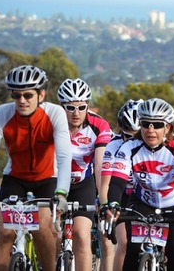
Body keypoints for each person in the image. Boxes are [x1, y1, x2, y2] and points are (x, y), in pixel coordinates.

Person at [0, 65, 71, 271]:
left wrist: (62, 193)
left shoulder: (55, 113)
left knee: (41, 226)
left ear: (41, 95)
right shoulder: (3, 113)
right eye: (16, 95)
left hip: (47, 178)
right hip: (15, 177)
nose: (22, 101)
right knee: (6, 231)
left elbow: (63, 157)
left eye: (28, 95)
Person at [106, 97, 174, 271]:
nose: (150, 130)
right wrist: (113, 204)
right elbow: (117, 182)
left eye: (157, 125)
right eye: (146, 124)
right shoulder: (129, 147)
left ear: (168, 127)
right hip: (143, 203)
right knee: (132, 251)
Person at [57, 78, 112, 271]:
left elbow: (100, 166)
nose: (76, 113)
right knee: (51, 233)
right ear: (61, 106)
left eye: (81, 107)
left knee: (81, 234)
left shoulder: (99, 126)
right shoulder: (51, 122)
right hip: (54, 182)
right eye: (70, 107)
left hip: (83, 183)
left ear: (88, 105)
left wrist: (104, 201)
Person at [99, 98, 143, 271]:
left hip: (145, 195)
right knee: (124, 243)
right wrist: (105, 207)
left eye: (136, 136)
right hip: (122, 195)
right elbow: (105, 185)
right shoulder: (114, 144)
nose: (132, 141)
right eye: (128, 135)